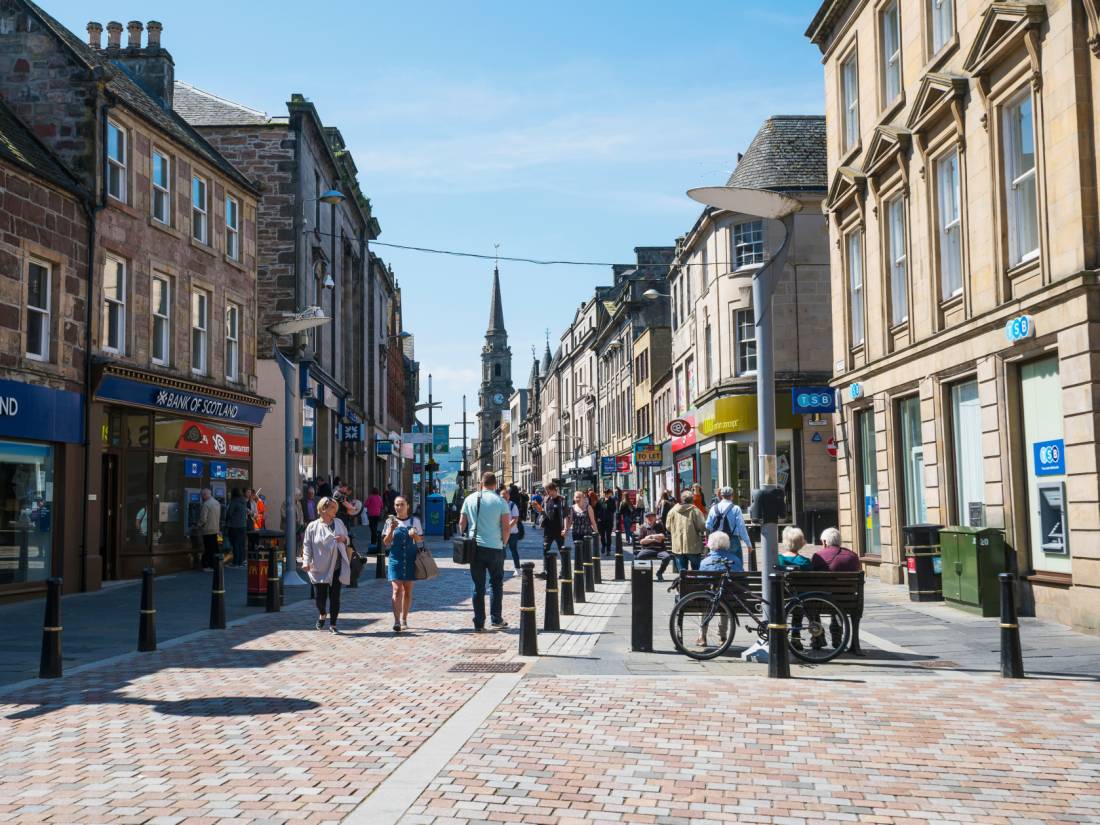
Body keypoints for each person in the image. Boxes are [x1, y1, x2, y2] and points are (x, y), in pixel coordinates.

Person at [459, 471, 512, 631]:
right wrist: (504, 543)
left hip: (475, 547)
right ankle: (496, 619)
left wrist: (465, 535)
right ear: (495, 484)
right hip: (495, 547)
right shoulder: (500, 501)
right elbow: (506, 527)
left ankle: (479, 622)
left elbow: (462, 523)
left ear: (481, 483)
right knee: (496, 583)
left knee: (478, 586)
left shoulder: (470, 499)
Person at [301, 496, 351, 634]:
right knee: (320, 598)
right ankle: (322, 613)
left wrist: (344, 539)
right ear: (323, 509)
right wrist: (306, 561)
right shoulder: (313, 526)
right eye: (332, 508)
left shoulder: (339, 523)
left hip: (337, 565)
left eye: (336, 508)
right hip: (319, 566)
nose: (335, 510)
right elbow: (307, 546)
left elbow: (348, 539)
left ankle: (333, 624)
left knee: (335, 596)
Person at [382, 495, 422, 632]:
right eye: (397, 505)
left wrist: (414, 535)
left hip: (411, 559)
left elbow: (420, 541)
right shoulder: (389, 521)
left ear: (408, 506)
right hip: (396, 559)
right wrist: (392, 529)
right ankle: (397, 621)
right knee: (397, 589)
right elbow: (386, 543)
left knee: (408, 591)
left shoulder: (414, 521)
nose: (399, 507)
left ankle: (405, 618)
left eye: (402, 504)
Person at [705, 486, 754, 562]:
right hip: (732, 539)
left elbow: (708, 525)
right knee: (736, 565)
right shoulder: (736, 508)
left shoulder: (713, 508)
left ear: (721, 496)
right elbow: (741, 528)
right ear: (732, 496)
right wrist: (748, 544)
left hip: (716, 540)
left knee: (717, 563)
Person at [666, 489, 706, 572]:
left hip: (678, 546)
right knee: (696, 571)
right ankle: (696, 584)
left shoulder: (673, 511)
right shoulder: (695, 511)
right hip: (693, 546)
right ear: (692, 500)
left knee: (682, 573)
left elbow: (668, 527)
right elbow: (702, 526)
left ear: (681, 499)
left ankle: (684, 585)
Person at [537, 482, 569, 579]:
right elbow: (543, 513)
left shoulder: (562, 500)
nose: (547, 493)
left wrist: (565, 529)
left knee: (562, 551)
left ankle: (563, 571)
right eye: (546, 491)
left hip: (559, 530)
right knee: (545, 550)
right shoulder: (546, 500)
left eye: (548, 491)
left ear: (554, 489)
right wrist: (538, 508)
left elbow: (565, 515)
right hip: (548, 530)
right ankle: (546, 571)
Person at [635, 511, 673, 581]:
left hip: (660, 550)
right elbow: (642, 541)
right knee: (639, 557)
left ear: (655, 518)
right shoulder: (643, 528)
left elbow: (662, 536)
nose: (650, 518)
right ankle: (643, 573)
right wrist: (654, 540)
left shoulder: (659, 526)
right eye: (648, 517)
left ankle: (660, 573)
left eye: (651, 516)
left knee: (667, 557)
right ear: (645, 519)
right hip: (647, 549)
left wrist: (650, 536)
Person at [225, 488, 249, 567]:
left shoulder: (234, 502)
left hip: (234, 526)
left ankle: (235, 562)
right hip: (243, 526)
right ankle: (241, 561)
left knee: (235, 544)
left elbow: (229, 514)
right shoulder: (243, 501)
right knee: (241, 544)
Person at [198, 488, 221, 570]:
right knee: (215, 548)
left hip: (208, 530)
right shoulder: (217, 503)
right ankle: (214, 565)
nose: (202, 498)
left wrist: (198, 526)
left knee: (208, 549)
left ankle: (206, 565)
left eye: (202, 496)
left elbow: (203, 519)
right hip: (216, 530)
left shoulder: (206, 504)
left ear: (205, 495)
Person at [501, 487, 522, 572]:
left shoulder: (512, 505)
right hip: (502, 532)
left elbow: (515, 518)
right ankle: (500, 568)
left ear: (509, 496)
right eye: (502, 497)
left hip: (512, 532)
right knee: (501, 551)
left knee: (513, 550)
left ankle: (517, 568)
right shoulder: (498, 505)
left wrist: (507, 527)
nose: (504, 499)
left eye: (505, 497)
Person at [594, 489, 617, 557]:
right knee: (602, 535)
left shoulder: (612, 500)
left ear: (609, 494)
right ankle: (603, 545)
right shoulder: (600, 500)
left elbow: (613, 510)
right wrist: (597, 518)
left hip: (609, 521)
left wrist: (608, 503)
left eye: (607, 493)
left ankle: (608, 549)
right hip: (601, 521)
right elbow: (596, 509)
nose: (606, 494)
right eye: (605, 493)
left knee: (608, 536)